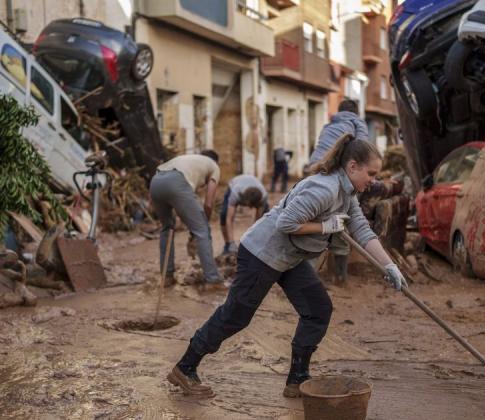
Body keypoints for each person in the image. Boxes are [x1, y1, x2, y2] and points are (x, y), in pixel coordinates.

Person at [166, 135, 407, 398]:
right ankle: (185, 367)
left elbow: (361, 229)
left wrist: (389, 265)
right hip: (263, 253)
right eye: (370, 173)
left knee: (318, 309)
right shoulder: (324, 188)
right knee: (236, 316)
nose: (373, 180)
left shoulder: (346, 193)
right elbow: (286, 223)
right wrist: (326, 227)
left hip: (290, 258)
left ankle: (297, 379)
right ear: (352, 167)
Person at [306, 99, 370, 283]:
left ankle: (306, 276)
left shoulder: (328, 126)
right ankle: (340, 277)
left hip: (313, 171)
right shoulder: (358, 123)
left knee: (314, 222)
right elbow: (363, 151)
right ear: (356, 112)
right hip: (334, 175)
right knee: (342, 222)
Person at [149, 150, 224, 289]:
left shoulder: (189, 160)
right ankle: (213, 280)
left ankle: (167, 277)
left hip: (155, 182)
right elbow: (208, 203)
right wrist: (203, 224)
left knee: (167, 228)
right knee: (202, 230)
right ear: (215, 160)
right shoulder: (214, 166)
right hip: (177, 181)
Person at [221, 174, 270, 254]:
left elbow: (258, 221)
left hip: (255, 188)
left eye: (252, 206)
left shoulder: (263, 197)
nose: (250, 208)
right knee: (224, 214)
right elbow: (229, 219)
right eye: (249, 205)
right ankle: (228, 245)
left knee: (266, 220)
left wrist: (253, 243)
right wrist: (231, 242)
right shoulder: (236, 193)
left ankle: (263, 245)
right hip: (236, 183)